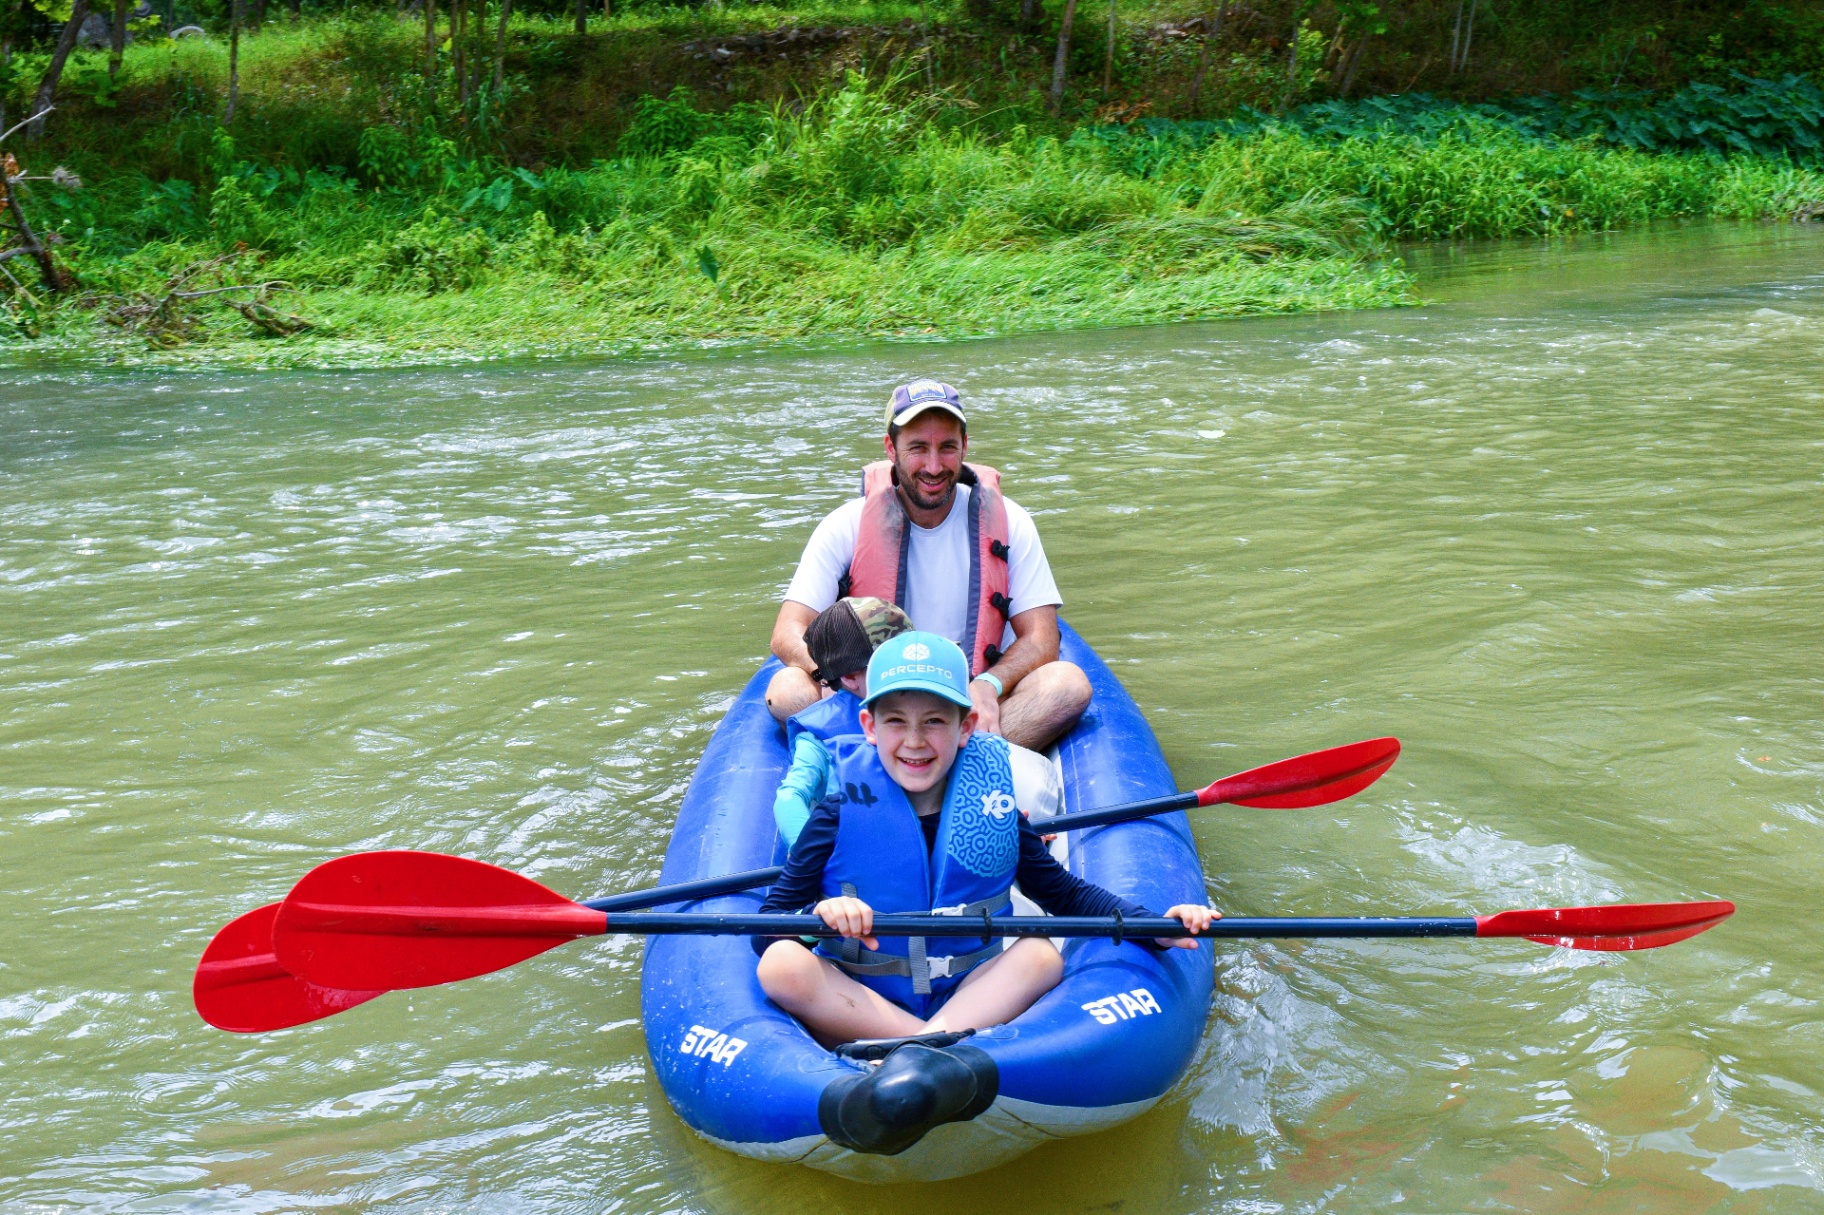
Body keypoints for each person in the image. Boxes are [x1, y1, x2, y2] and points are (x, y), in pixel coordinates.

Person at [755, 631, 1218, 1046]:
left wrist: (1154, 926)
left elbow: (1064, 894)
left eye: (934, 721)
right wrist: (818, 915)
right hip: (865, 1001)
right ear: (870, 728)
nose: (914, 741)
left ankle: (914, 1049)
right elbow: (768, 925)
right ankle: (924, 1045)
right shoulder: (837, 815)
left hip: (970, 992)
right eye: (896, 721)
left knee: (1039, 955)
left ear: (966, 727)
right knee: (780, 965)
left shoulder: (995, 810)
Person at [766, 379, 1093, 751]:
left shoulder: (1011, 521)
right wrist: (827, 677)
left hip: (965, 702)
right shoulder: (845, 525)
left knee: (1066, 685)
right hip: (875, 703)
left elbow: (1042, 638)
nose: (934, 466)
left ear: (965, 447)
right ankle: (903, 760)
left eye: (948, 448)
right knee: (787, 689)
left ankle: (945, 761)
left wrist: (989, 685)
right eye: (918, 448)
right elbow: (788, 630)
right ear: (892, 448)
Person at [775, 597, 1064, 846]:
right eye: (889, 660)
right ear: (850, 678)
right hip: (862, 863)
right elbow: (790, 799)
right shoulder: (818, 738)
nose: (909, 668)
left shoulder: (935, 715)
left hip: (938, 848)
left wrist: (1008, 832)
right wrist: (813, 858)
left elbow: (972, 786)